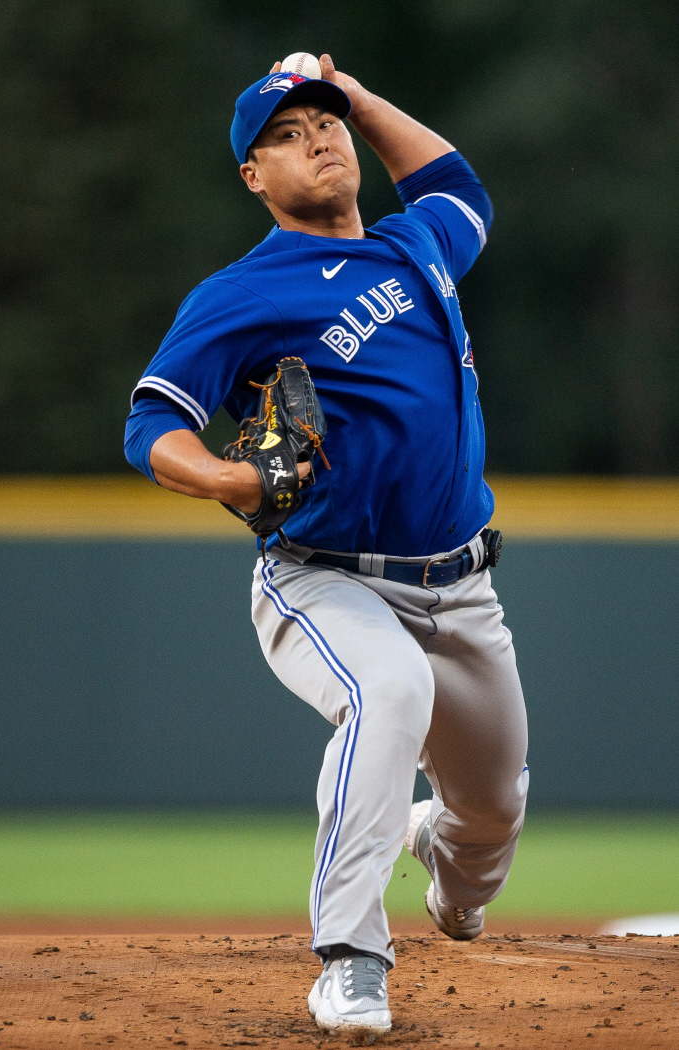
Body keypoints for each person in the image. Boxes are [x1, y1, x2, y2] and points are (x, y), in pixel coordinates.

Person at [124, 54, 529, 1036]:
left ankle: (445, 865)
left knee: (492, 816)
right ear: (253, 179)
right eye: (285, 132)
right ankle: (350, 958)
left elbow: (458, 186)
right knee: (387, 692)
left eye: (324, 123)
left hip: (463, 587)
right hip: (326, 579)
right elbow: (151, 423)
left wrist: (354, 93)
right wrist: (224, 476)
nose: (317, 137)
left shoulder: (415, 243)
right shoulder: (243, 291)